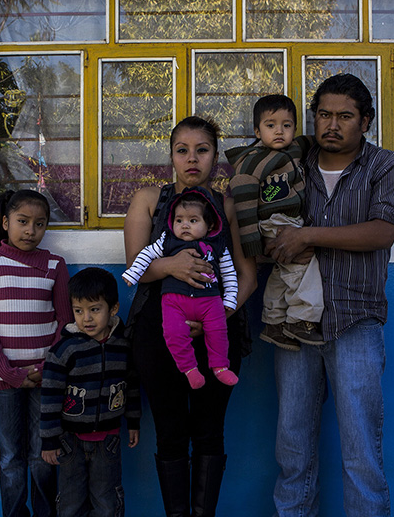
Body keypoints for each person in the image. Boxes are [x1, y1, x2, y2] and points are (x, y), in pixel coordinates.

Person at [265, 74, 394, 517]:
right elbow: (259, 214)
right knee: (292, 448)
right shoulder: (291, 163)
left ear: (364, 121)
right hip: (294, 324)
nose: (332, 124)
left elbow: (383, 230)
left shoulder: (385, 166)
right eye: (324, 115)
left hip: (355, 320)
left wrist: (309, 234)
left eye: (345, 116)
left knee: (360, 450)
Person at [123, 116, 257, 517]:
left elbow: (247, 276)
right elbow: (136, 267)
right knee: (170, 431)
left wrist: (218, 312)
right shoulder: (149, 200)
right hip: (158, 331)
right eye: (183, 150)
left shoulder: (228, 206)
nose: (192, 159)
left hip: (217, 331)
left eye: (202, 150)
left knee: (209, 430)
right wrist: (173, 267)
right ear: (171, 157)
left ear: (216, 157)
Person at [0, 189, 73, 517]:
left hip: (44, 378)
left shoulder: (54, 265)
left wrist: (46, 369)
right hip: (3, 381)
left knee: (43, 455)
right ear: (5, 222)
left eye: (40, 224)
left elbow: (64, 322)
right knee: (10, 459)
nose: (31, 230)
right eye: (23, 222)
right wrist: (12, 373)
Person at [224, 94, 323, 351]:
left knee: (283, 271)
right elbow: (243, 207)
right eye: (270, 125)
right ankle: (302, 319)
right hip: (274, 221)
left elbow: (314, 140)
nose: (279, 131)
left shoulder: (295, 149)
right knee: (304, 265)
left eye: (287, 125)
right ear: (257, 131)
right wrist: (254, 246)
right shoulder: (251, 163)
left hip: (289, 220)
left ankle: (274, 322)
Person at [39, 267, 141, 517]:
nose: (86, 319)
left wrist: (134, 421)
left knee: (107, 502)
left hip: (109, 441)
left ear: (113, 308)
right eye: (78, 311)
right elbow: (50, 398)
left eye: (95, 309)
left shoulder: (123, 346)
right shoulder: (64, 350)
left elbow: (132, 386)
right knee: (71, 503)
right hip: (69, 442)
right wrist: (49, 441)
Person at [123, 189, 239, 389]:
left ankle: (220, 367)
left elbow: (229, 274)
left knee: (218, 331)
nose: (185, 225)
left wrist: (229, 300)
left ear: (209, 225)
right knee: (173, 333)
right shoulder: (166, 241)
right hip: (174, 302)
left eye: (193, 221)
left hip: (210, 302)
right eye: (179, 220)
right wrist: (132, 274)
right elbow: (144, 255)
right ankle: (189, 369)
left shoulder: (217, 246)